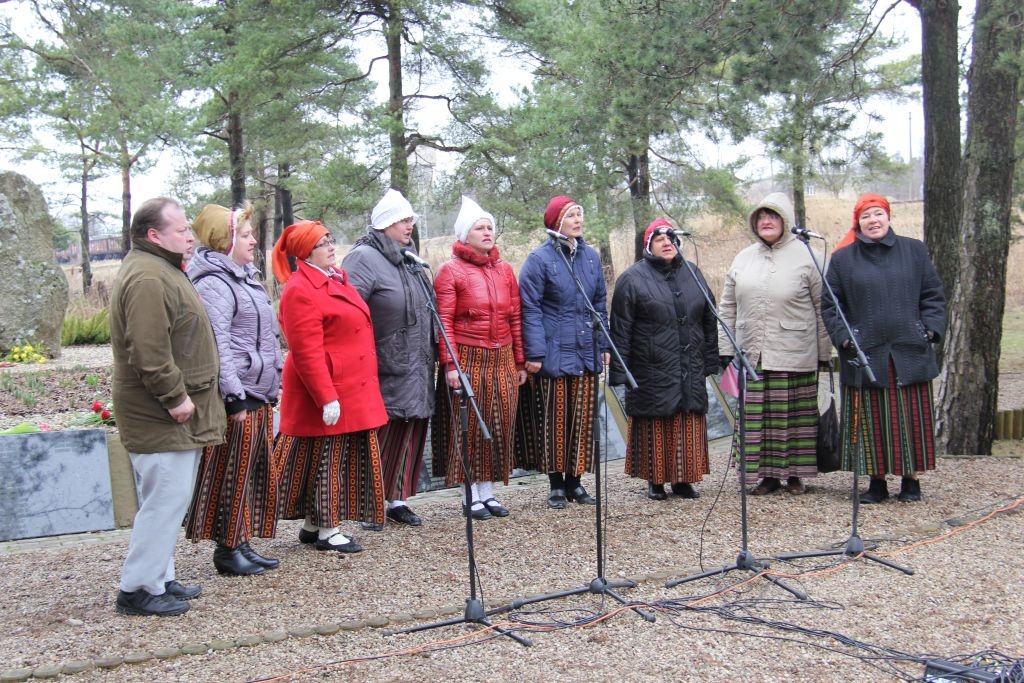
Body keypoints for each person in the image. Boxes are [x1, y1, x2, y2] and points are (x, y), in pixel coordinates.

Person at [110, 197, 226, 617]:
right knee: (165, 499)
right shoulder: (148, 277)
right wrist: (174, 396)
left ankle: (158, 576)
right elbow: (147, 350)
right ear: (154, 235)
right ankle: (138, 588)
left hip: (169, 412)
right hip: (160, 413)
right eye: (181, 230)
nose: (190, 237)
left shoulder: (160, 269)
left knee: (168, 498)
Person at [270, 220, 388, 552]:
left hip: (350, 385)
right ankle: (328, 531)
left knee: (336, 457)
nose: (332, 247)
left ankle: (313, 524)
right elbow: (305, 350)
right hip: (328, 389)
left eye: (331, 240)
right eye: (322, 243)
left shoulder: (333, 279)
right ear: (304, 253)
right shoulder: (299, 289)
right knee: (328, 460)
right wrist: (326, 397)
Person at [822, 193, 946, 503]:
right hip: (865, 351)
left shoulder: (914, 251)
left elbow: (933, 295)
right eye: (866, 216)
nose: (873, 220)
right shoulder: (842, 259)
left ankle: (911, 480)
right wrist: (846, 338)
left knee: (909, 418)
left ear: (888, 217)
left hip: (909, 348)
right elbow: (831, 305)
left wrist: (929, 330)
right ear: (858, 222)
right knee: (872, 421)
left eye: (877, 214)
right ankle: (876, 482)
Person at [185, 203, 284, 576]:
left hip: (257, 388)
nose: (254, 241)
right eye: (245, 235)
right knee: (233, 471)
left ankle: (241, 540)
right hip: (239, 392)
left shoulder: (244, 276)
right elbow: (218, 343)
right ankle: (227, 549)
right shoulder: (214, 282)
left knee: (251, 470)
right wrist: (233, 395)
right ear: (224, 240)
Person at [717, 192, 832, 495]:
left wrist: (823, 354)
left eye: (773, 216)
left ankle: (795, 475)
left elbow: (824, 310)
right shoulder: (743, 257)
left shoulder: (809, 257)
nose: (766, 221)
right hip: (751, 354)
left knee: (793, 419)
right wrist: (725, 349)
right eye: (761, 216)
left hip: (795, 352)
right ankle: (765, 476)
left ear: (786, 220)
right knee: (759, 420)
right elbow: (727, 306)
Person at [342, 188, 435, 529]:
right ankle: (367, 502)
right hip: (382, 363)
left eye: (410, 219)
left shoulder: (410, 257)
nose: (408, 225)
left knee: (408, 432)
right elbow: (348, 313)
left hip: (417, 361)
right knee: (379, 435)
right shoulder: (363, 258)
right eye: (402, 220)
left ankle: (397, 499)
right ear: (384, 224)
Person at [432, 196, 527, 519]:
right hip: (468, 357)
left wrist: (519, 360)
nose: (487, 232)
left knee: (499, 424)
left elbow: (515, 316)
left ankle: (489, 492)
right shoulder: (450, 271)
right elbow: (443, 321)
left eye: (490, 227)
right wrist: (450, 364)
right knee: (470, 426)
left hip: (502, 357)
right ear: (464, 234)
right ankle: (469, 493)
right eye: (479, 228)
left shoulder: (504, 270)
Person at [609, 218, 718, 500]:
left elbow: (709, 319)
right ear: (649, 246)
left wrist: (710, 361)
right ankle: (655, 480)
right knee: (655, 420)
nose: (667, 243)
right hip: (650, 366)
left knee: (687, 418)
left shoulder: (693, 273)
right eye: (659, 239)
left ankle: (683, 479)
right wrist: (620, 373)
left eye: (671, 238)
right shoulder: (632, 278)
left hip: (689, 363)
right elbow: (621, 328)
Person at [517, 195, 609, 509]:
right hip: (553, 351)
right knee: (555, 420)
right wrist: (535, 352)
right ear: (557, 222)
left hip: (585, 350)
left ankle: (577, 483)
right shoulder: (539, 259)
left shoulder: (591, 258)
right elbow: (529, 309)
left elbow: (599, 305)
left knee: (582, 420)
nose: (578, 221)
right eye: (571, 216)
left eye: (580, 215)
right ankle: (556, 484)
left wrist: (604, 344)